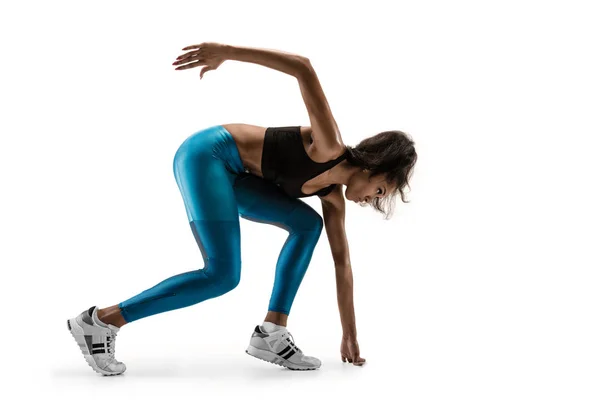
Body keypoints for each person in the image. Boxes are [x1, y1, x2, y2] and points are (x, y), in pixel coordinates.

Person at [66, 42, 417, 375]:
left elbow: (343, 264)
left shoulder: (331, 196)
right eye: (380, 190)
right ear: (375, 167)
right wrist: (227, 52)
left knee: (308, 225)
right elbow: (302, 67)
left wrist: (350, 334)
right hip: (208, 155)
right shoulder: (328, 145)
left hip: (234, 178)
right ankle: (100, 322)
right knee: (222, 275)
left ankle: (272, 333)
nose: (372, 199)